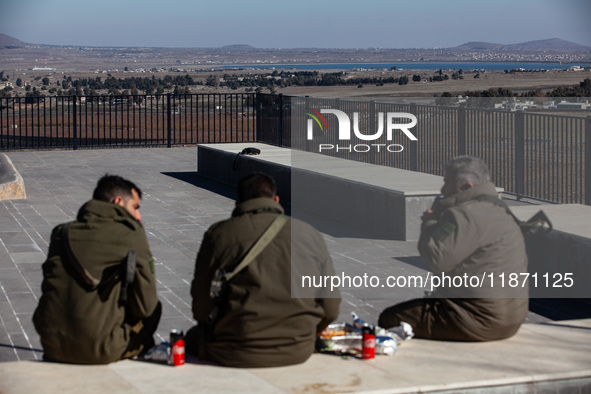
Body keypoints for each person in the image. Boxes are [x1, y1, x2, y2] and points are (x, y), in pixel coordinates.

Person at [188, 172, 341, 368]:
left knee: (192, 337)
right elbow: (331, 305)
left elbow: (201, 302)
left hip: (233, 348)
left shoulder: (218, 234)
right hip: (297, 348)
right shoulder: (309, 233)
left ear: (238, 203)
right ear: (276, 199)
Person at [378, 156, 528, 341]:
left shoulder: (465, 214)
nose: (443, 190)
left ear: (466, 186)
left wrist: (430, 223)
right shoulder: (500, 209)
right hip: (512, 318)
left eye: (447, 183)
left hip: (479, 320)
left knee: (392, 318)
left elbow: (436, 259)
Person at [33, 174, 161, 364]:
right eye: (135, 207)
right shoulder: (130, 232)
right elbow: (145, 306)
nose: (138, 216)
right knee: (154, 310)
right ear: (117, 201)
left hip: (51, 344)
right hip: (99, 348)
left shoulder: (61, 232)